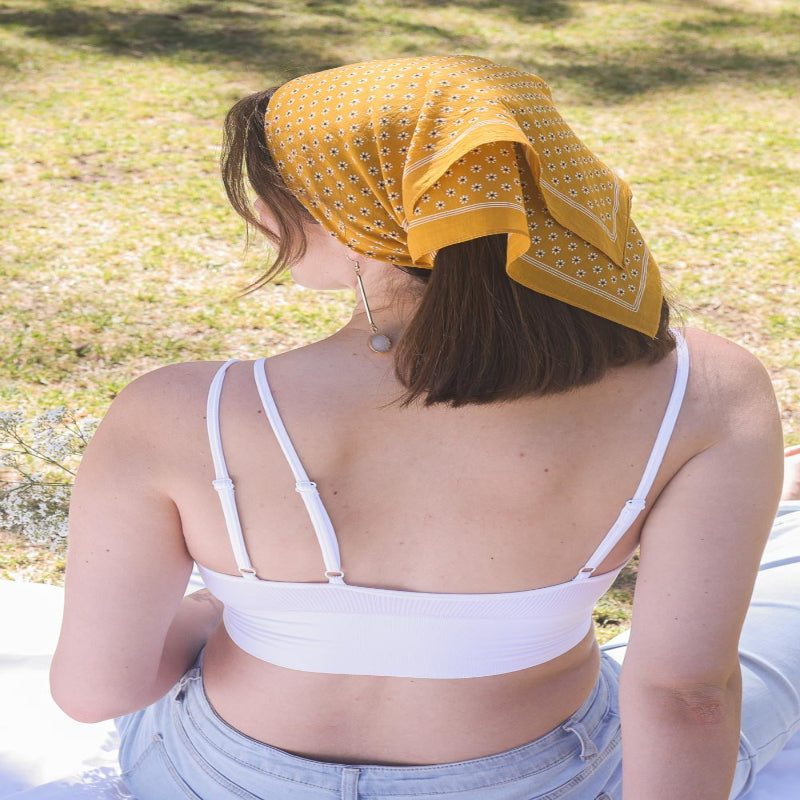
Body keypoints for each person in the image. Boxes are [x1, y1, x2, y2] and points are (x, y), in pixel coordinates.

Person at [49, 56, 800, 800]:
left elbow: (95, 692)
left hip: (216, 781)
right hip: (543, 780)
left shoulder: (178, 412)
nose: (258, 217)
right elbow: (684, 698)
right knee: (772, 626)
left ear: (352, 215)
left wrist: (224, 609)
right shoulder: (703, 392)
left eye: (276, 194)